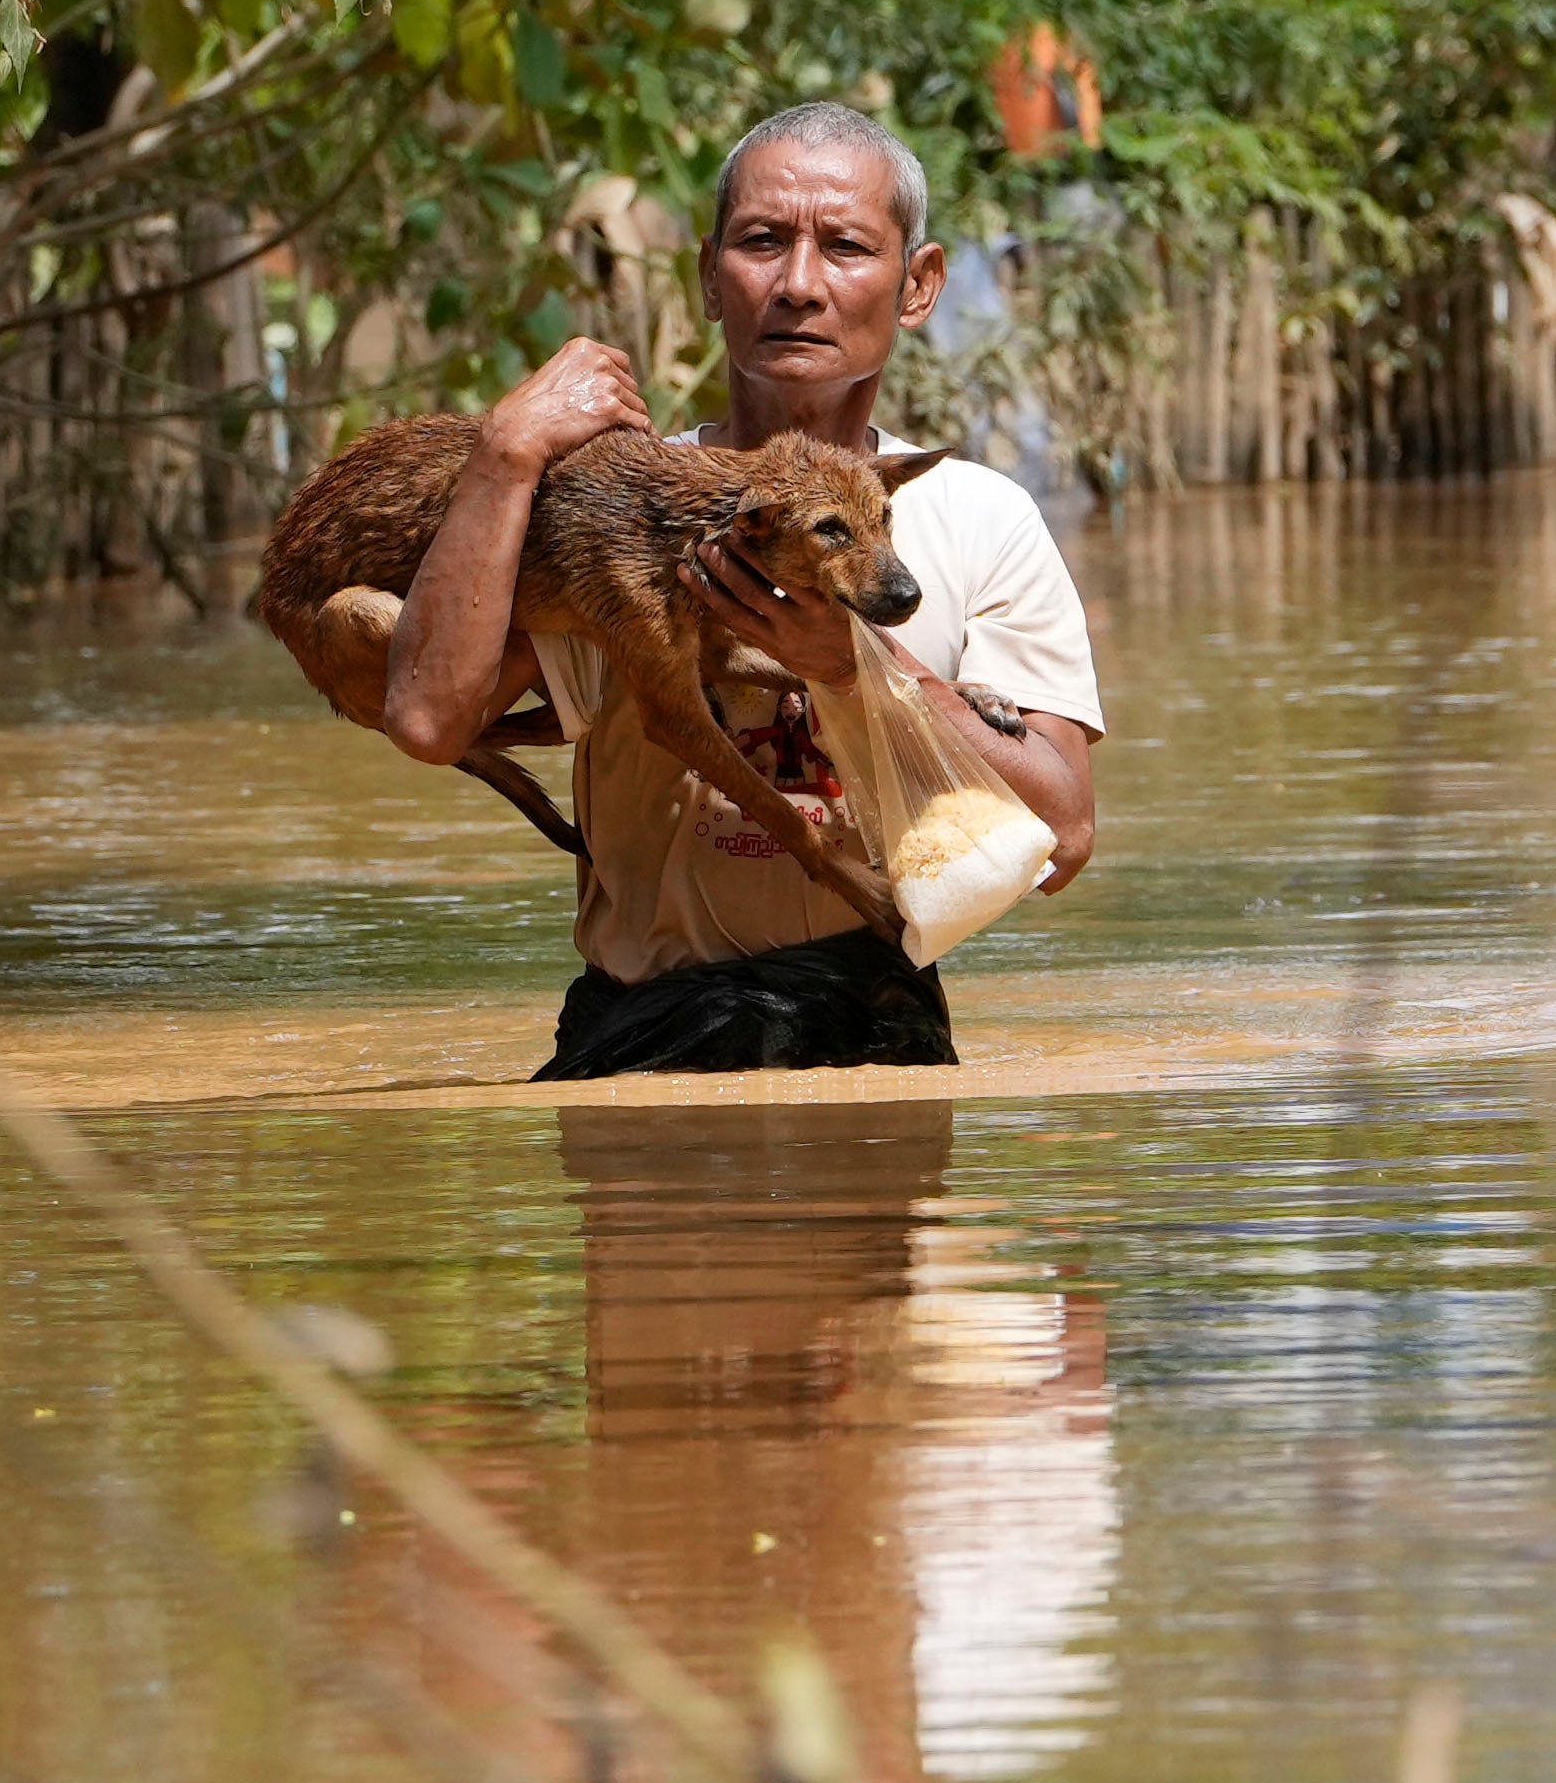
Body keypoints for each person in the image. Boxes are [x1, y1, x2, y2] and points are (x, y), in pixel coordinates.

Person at [377, 102, 1105, 1076]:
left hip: (879, 1026)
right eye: (763, 242)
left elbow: (1063, 833)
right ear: (710, 277)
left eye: (845, 246)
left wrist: (856, 667)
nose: (799, 284)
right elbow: (429, 721)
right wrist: (506, 459)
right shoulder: (615, 507)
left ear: (918, 285)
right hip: (645, 1033)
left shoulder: (982, 519)